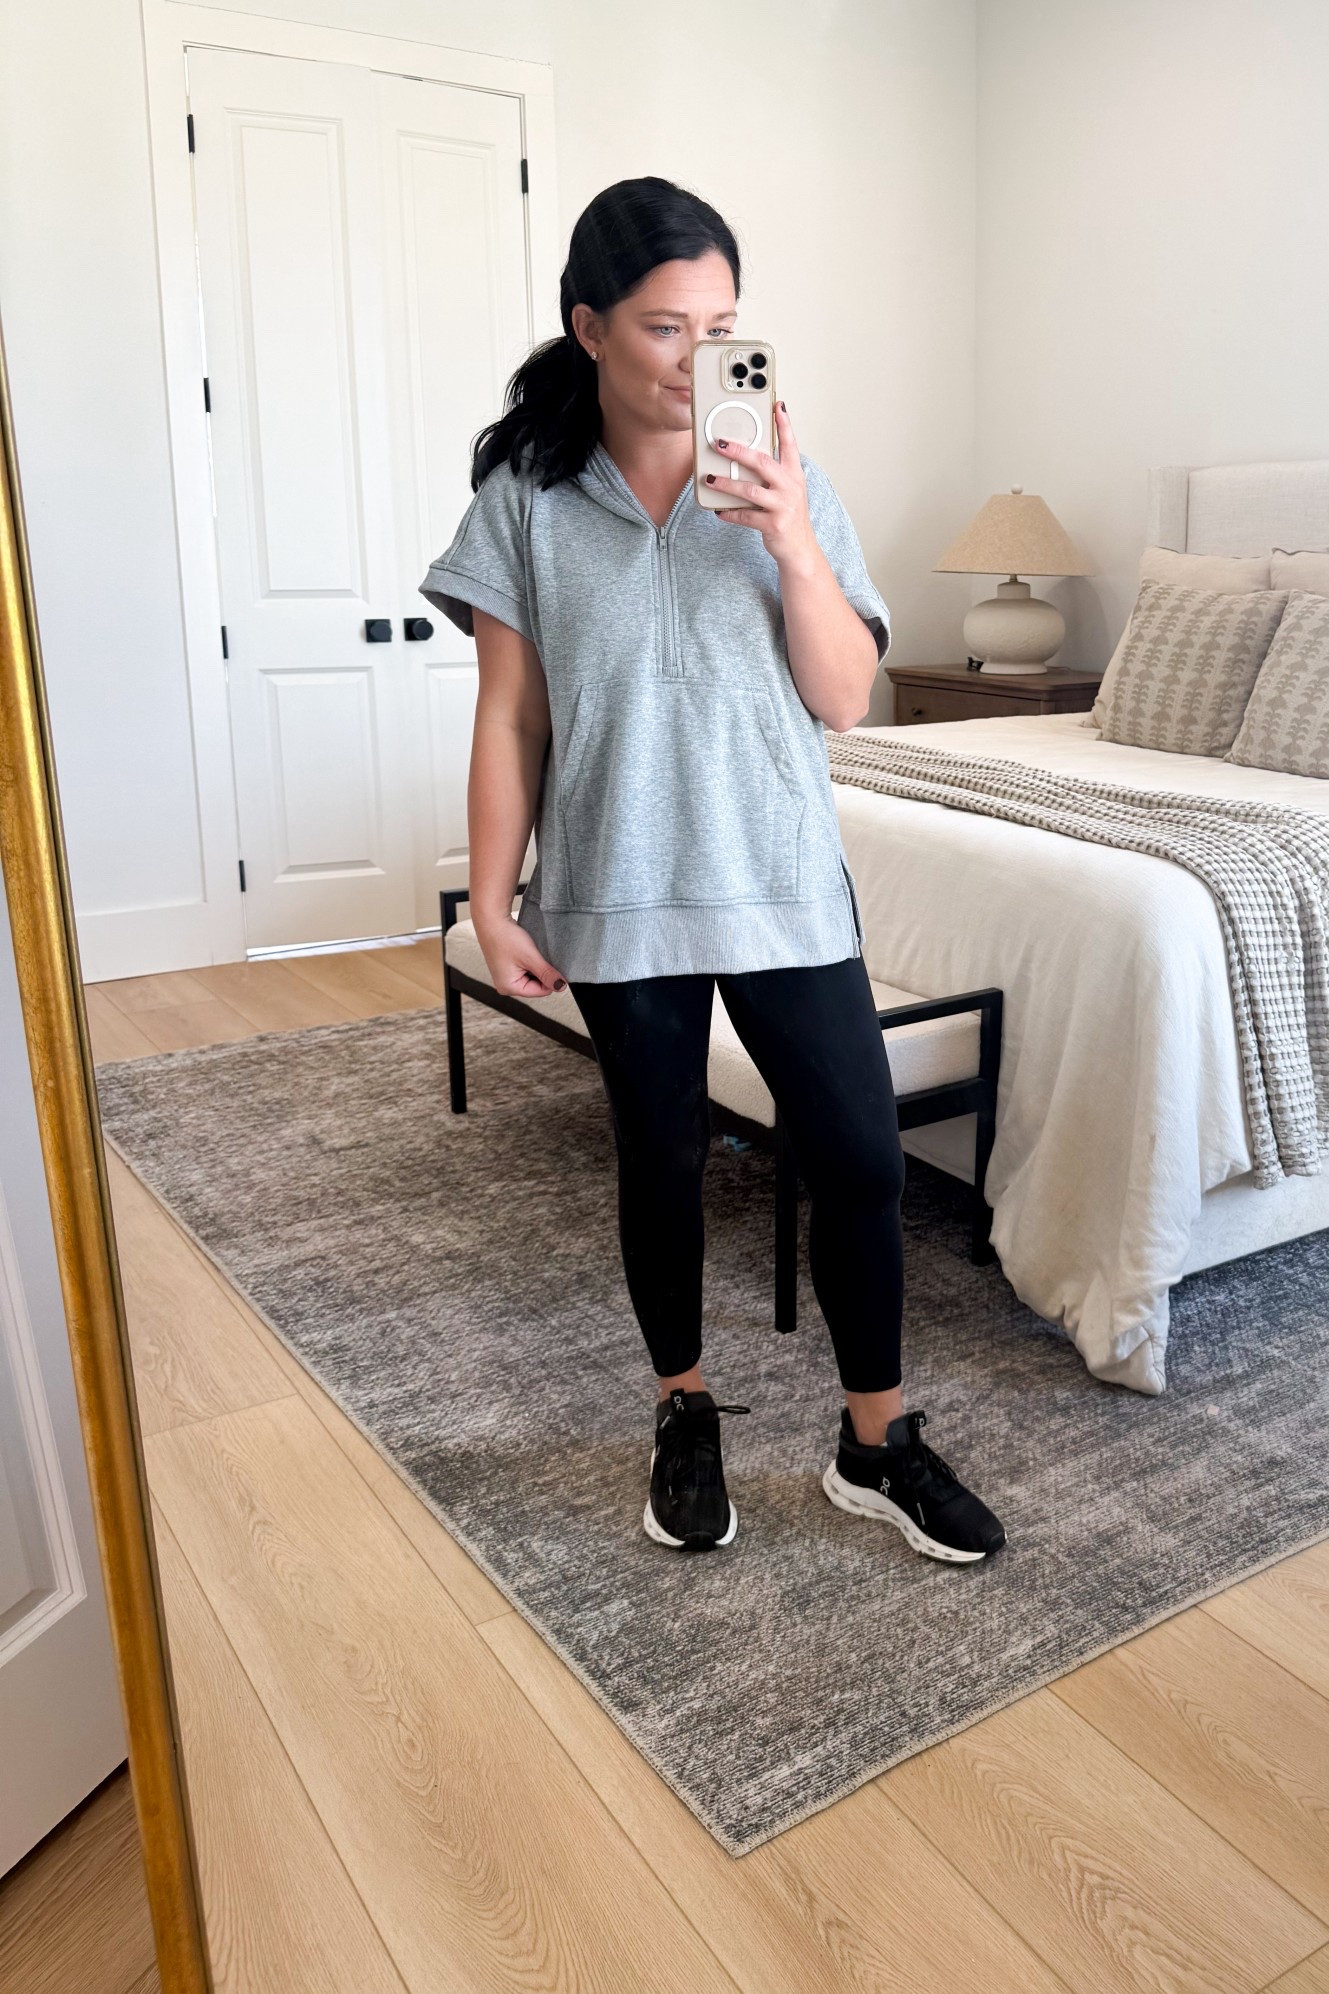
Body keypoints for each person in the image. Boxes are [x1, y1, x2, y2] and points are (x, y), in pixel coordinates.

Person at [420, 177, 1003, 1565]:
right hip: (617, 891)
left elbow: (846, 698)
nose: (698, 358)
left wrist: (790, 538)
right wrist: (491, 902)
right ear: (589, 329)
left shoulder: (791, 485)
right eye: (664, 327)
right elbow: (509, 717)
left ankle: (875, 1444)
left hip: (781, 880)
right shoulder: (525, 502)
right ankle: (683, 1410)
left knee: (858, 1158)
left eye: (722, 325)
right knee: (664, 1162)